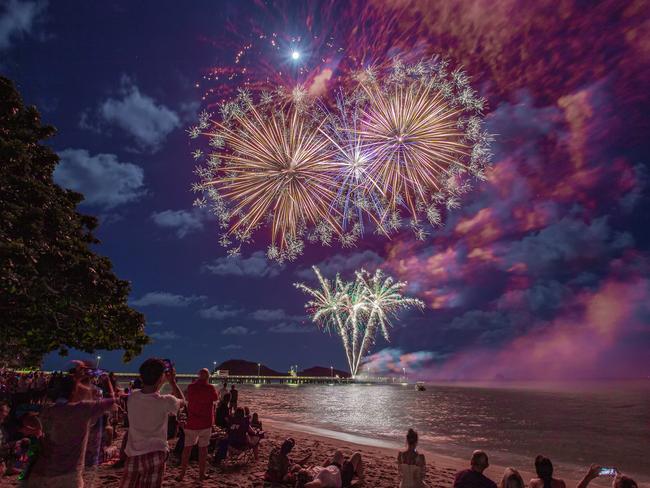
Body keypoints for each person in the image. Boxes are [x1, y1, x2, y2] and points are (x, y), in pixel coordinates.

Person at [23, 374, 116, 487]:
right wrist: (107, 380)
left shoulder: (48, 410)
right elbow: (111, 400)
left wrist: (35, 430)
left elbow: (27, 419)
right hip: (68, 475)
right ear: (74, 391)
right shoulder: (82, 408)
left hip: (41, 472)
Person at [120, 358, 185, 488]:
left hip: (133, 454)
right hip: (156, 452)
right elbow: (182, 401)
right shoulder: (167, 401)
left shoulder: (132, 397)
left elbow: (150, 392)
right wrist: (172, 382)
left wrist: (161, 379)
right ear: (161, 378)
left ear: (141, 377)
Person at [177, 368, 219, 482]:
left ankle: (182, 474)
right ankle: (201, 474)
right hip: (206, 423)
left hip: (192, 423)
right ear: (208, 377)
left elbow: (186, 397)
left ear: (198, 376)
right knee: (203, 450)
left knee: (187, 450)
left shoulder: (191, 387)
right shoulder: (210, 388)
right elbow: (216, 398)